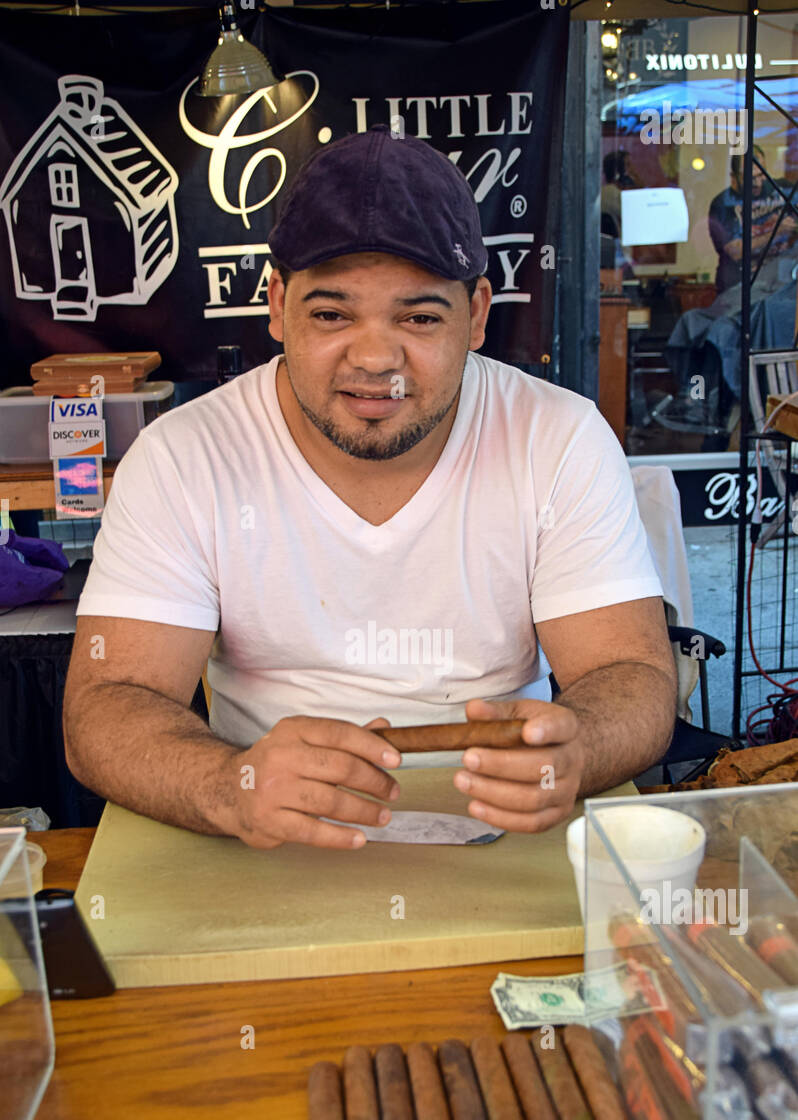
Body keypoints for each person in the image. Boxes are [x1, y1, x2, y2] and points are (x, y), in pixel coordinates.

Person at [64, 125, 676, 852]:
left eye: (419, 317)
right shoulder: (184, 456)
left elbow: (629, 672)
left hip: (510, 828)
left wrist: (579, 751)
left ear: (478, 313)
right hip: (258, 834)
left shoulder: (558, 438)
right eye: (331, 315)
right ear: (277, 304)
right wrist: (230, 787)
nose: (377, 358)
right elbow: (106, 702)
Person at [708, 148, 798, 294]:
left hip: (781, 280)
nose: (757, 183)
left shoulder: (783, 189)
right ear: (733, 177)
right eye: (749, 178)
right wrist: (776, 232)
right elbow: (735, 251)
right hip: (741, 285)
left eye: (761, 175)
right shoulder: (724, 203)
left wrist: (792, 226)